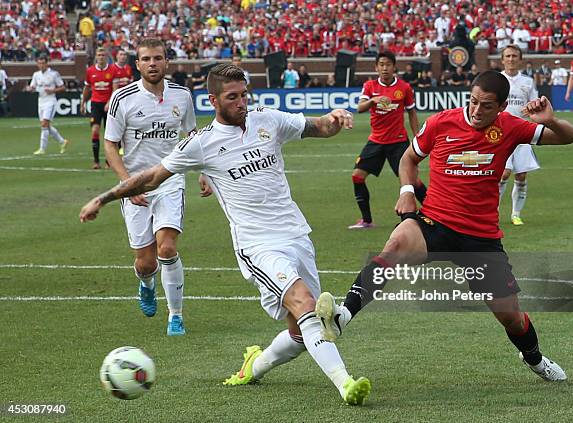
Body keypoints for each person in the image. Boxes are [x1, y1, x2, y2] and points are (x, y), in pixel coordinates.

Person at [80, 63, 371, 405]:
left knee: (302, 331)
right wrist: (104, 198)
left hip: (296, 234)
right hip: (257, 244)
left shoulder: (268, 120)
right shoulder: (200, 144)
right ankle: (346, 384)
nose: (241, 103)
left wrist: (336, 116)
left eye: (244, 95)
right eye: (232, 97)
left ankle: (254, 366)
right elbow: (151, 176)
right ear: (213, 100)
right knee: (305, 304)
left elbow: (320, 127)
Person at [316, 70, 573, 383]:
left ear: (502, 106)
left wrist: (549, 120)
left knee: (511, 317)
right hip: (435, 222)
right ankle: (343, 316)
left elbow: (568, 136)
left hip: (481, 238)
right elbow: (408, 160)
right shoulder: (441, 122)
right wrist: (407, 192)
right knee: (397, 243)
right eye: (473, 101)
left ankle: (535, 359)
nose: (477, 110)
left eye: (486, 106)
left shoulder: (510, 127)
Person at [104, 38, 196, 335]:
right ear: (138, 64)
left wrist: (204, 172)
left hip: (170, 180)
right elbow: (110, 145)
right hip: (136, 188)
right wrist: (127, 185)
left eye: (158, 58)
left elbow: (194, 137)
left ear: (166, 62)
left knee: (167, 248)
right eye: (146, 59)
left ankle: (176, 316)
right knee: (145, 263)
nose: (153, 63)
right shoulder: (122, 98)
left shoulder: (182, 96)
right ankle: (146, 283)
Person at [349, 51, 426, 229]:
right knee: (357, 176)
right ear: (376, 67)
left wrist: (418, 138)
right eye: (381, 64)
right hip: (376, 141)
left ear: (394, 67)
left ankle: (433, 213)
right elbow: (360, 108)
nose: (385, 68)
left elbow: (412, 113)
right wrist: (373, 100)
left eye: (388, 65)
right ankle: (366, 220)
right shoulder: (370, 86)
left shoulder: (404, 87)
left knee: (411, 181)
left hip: (398, 142)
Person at [499, 45, 540, 226]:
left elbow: (535, 104)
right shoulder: (497, 80)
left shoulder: (528, 82)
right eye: (507, 56)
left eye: (514, 56)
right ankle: (494, 211)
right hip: (500, 133)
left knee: (521, 175)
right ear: (502, 59)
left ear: (520, 59)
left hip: (522, 133)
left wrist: (532, 111)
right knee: (503, 173)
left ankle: (516, 214)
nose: (511, 59)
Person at [26, 56, 69, 155]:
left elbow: (62, 87)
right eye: (39, 63)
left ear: (47, 63)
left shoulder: (54, 74)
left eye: (43, 63)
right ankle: (63, 141)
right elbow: (32, 87)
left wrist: (53, 90)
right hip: (41, 101)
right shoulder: (36, 75)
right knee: (46, 126)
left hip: (50, 101)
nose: (41, 65)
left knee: (44, 124)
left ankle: (42, 149)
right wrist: (30, 89)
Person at [81, 48, 114, 169]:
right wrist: (83, 102)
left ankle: (109, 160)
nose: (101, 57)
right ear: (96, 57)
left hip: (109, 105)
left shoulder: (112, 69)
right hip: (95, 104)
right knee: (95, 130)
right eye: (99, 55)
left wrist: (110, 101)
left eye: (103, 55)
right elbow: (87, 87)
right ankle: (96, 161)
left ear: (106, 57)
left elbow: (115, 88)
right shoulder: (90, 71)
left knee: (109, 134)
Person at [110, 48, 134, 156]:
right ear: (117, 56)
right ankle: (116, 148)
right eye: (121, 54)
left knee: (127, 125)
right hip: (116, 101)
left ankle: (124, 147)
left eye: (125, 54)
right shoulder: (112, 68)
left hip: (128, 101)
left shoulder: (128, 68)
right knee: (116, 125)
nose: (123, 56)